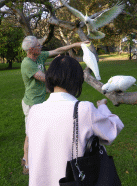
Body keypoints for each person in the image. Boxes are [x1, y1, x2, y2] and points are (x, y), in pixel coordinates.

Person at [26, 55, 124, 186]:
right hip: (73, 181)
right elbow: (113, 129)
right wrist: (103, 107)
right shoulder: (84, 110)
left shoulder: (34, 111)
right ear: (77, 80)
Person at [21, 36, 89, 174]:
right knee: (30, 135)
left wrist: (77, 43)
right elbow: (47, 79)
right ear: (31, 50)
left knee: (41, 132)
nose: (41, 47)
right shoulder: (27, 63)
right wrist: (61, 69)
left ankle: (33, 156)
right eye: (38, 46)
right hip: (32, 103)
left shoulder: (39, 56)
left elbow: (58, 49)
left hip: (41, 101)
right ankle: (27, 163)